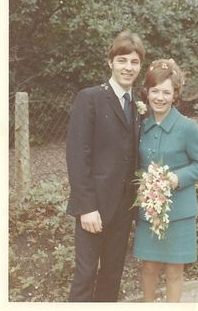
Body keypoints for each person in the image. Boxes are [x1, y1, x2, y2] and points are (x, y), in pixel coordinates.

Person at [66, 30, 145, 302]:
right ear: (110, 62)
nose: (128, 67)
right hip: (94, 208)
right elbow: (77, 156)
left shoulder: (137, 105)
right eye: (122, 60)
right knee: (85, 276)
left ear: (140, 66)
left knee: (112, 277)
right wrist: (86, 206)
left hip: (122, 210)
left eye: (134, 62)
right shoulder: (90, 98)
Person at [133, 58, 198, 302]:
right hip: (148, 211)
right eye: (155, 91)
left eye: (166, 92)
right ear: (146, 92)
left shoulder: (187, 127)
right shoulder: (139, 125)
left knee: (175, 271)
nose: (159, 97)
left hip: (179, 213)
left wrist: (177, 178)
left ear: (175, 95)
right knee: (148, 268)